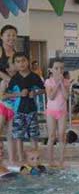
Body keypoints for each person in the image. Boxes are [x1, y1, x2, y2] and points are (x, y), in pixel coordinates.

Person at [8, 53, 45, 164]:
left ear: (28, 61)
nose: (21, 64)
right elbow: (7, 95)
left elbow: (43, 90)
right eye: (18, 62)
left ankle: (35, 158)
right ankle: (20, 158)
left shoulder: (34, 76)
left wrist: (35, 92)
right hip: (19, 111)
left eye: (23, 61)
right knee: (19, 136)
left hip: (32, 110)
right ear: (14, 64)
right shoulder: (14, 79)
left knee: (33, 135)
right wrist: (19, 94)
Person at [44, 59, 70, 167]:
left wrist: (62, 84)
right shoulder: (48, 82)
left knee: (62, 136)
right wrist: (57, 84)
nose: (59, 70)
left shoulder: (66, 81)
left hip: (62, 112)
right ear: (51, 70)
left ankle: (61, 160)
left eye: (61, 68)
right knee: (51, 136)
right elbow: (51, 96)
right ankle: (50, 160)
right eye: (56, 68)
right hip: (51, 112)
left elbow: (66, 97)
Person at [0, 25, 19, 164]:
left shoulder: (17, 53)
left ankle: (12, 158)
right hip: (2, 89)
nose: (11, 38)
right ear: (2, 36)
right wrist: (8, 79)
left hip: (13, 93)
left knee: (11, 129)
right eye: (8, 35)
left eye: (13, 35)